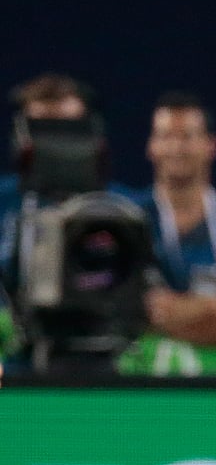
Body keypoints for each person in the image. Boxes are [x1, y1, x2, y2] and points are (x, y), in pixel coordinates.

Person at [115, 91, 216, 377]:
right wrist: (209, 310)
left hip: (215, 393)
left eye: (187, 136)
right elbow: (110, 313)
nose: (176, 147)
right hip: (135, 388)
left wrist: (160, 315)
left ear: (210, 145)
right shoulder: (122, 218)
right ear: (151, 146)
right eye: (165, 136)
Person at [0, 72, 125, 384]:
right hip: (13, 376)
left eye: (68, 130)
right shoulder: (2, 202)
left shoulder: (124, 210)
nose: (54, 145)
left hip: (105, 375)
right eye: (42, 129)